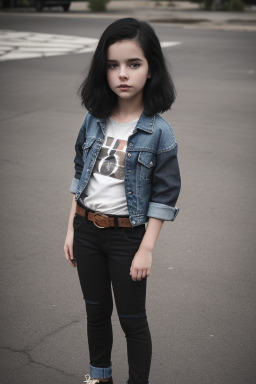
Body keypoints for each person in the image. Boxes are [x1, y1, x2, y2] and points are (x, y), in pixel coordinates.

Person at [64, 18, 181, 384]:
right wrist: (70, 229)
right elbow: (81, 175)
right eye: (113, 65)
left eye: (134, 64)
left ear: (151, 70)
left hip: (127, 238)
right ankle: (100, 377)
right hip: (86, 230)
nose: (123, 75)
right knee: (96, 313)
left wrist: (146, 249)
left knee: (132, 320)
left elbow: (164, 195)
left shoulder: (159, 132)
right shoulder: (94, 120)